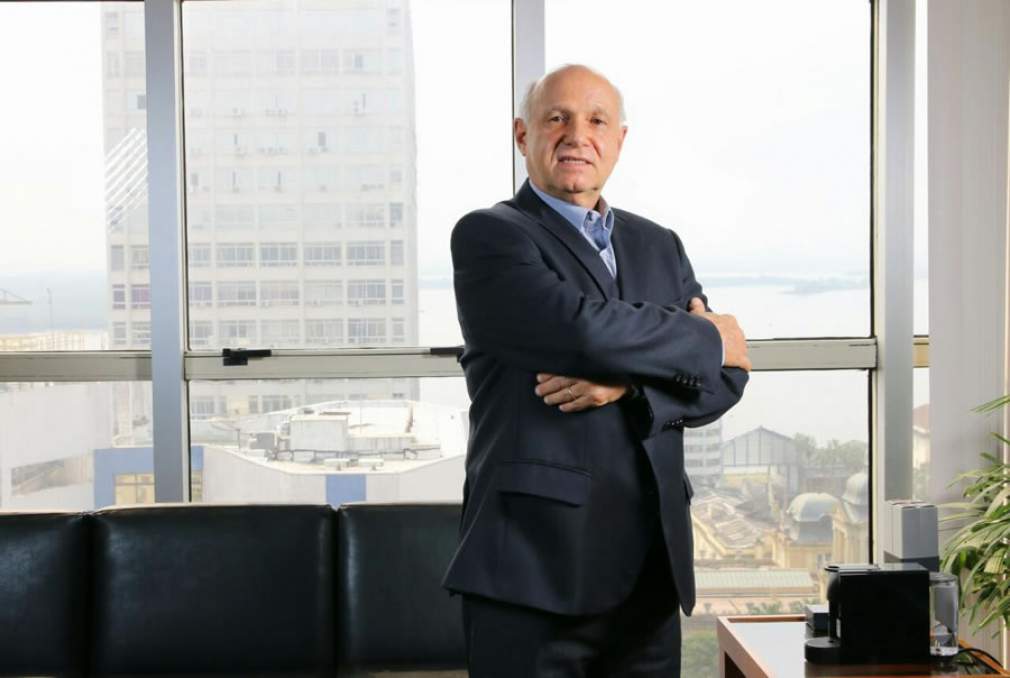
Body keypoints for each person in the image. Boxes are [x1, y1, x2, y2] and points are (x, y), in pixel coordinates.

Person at [442, 63, 750, 677]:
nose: (577, 135)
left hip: (650, 576)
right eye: (557, 118)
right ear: (523, 134)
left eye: (596, 121)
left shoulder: (659, 244)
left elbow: (727, 379)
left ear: (619, 140)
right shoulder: (490, 236)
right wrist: (705, 335)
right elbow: (581, 330)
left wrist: (629, 385)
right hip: (532, 572)